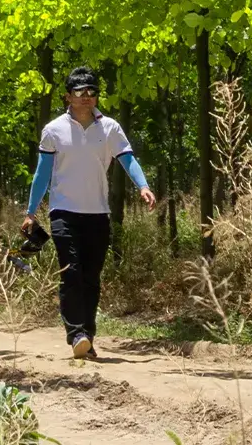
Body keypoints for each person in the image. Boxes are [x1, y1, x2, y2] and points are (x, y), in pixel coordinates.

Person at [23, 66, 155, 359]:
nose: (87, 97)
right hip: (63, 212)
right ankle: (76, 334)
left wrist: (143, 185)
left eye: (92, 91)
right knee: (71, 273)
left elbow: (127, 158)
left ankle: (88, 336)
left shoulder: (109, 128)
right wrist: (31, 212)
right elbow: (42, 173)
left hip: (98, 214)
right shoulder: (53, 130)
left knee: (91, 278)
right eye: (80, 92)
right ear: (67, 96)